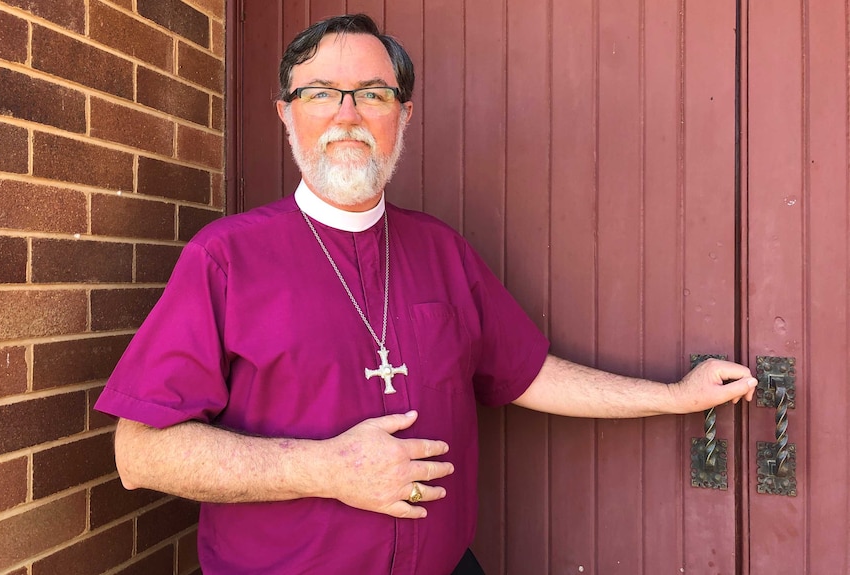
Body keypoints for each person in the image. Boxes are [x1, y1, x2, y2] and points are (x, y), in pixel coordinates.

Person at [95, 13, 757, 575]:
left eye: (373, 94)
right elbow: (141, 452)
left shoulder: (441, 250)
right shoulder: (225, 257)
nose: (347, 116)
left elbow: (526, 373)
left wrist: (674, 397)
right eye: (322, 92)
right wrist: (329, 468)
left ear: (403, 115)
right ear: (285, 114)